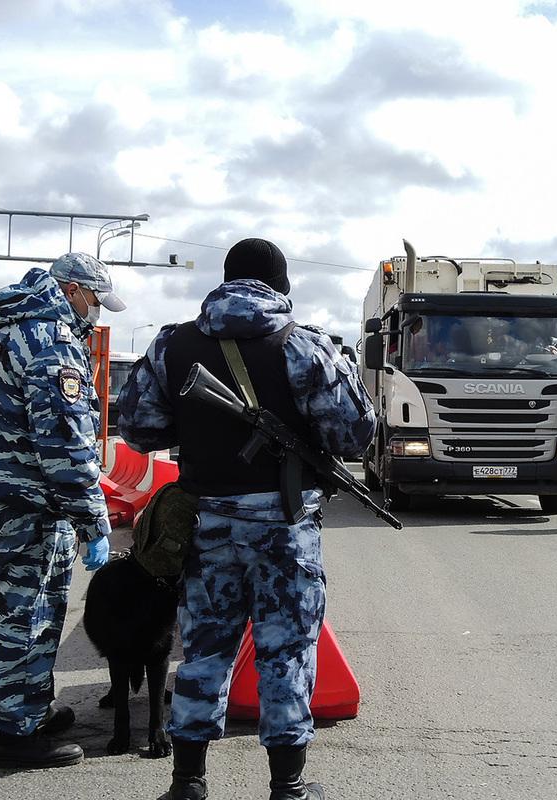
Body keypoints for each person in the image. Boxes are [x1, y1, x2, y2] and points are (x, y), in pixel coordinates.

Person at [118, 237, 376, 800]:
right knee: (286, 652)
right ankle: (289, 787)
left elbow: (137, 427)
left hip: (206, 522)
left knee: (204, 650)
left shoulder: (172, 345)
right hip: (283, 525)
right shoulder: (306, 347)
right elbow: (354, 434)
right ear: (280, 285)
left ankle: (188, 782)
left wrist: (194, 430)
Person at [0, 252, 125, 769]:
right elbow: (65, 445)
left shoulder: (9, 323)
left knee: (30, 606)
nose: (97, 311)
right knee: (28, 615)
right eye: (96, 299)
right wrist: (92, 520)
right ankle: (14, 735)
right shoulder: (51, 340)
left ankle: (31, 706)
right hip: (30, 498)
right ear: (73, 290)